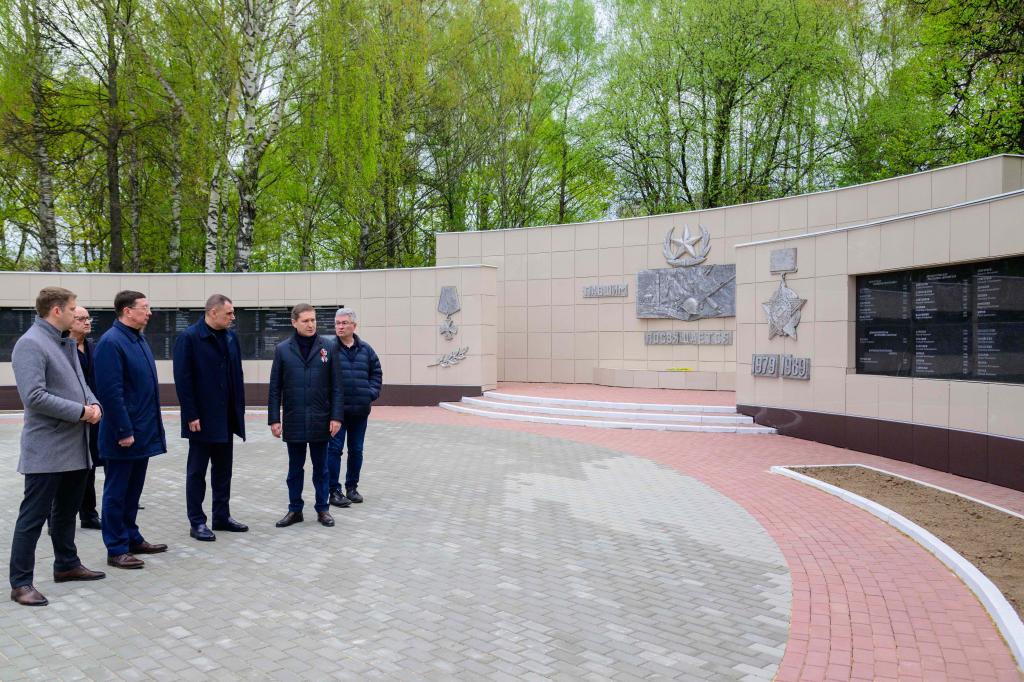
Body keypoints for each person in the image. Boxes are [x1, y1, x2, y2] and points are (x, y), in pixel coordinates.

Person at [9, 287, 105, 607]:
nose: (77, 314)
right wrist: (81, 412)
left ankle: (66, 564)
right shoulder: (31, 344)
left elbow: (81, 383)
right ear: (56, 311)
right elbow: (34, 396)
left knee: (66, 513)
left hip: (75, 447)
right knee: (33, 518)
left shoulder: (65, 341)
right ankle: (21, 583)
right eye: (73, 308)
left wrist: (93, 403)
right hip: (47, 449)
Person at [93, 291, 168, 569]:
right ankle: (116, 548)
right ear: (127, 311)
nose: (149, 313)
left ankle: (132, 537)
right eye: (144, 308)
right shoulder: (111, 343)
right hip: (123, 435)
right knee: (117, 493)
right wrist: (124, 430)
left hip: (143, 432)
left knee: (133, 491)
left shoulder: (138, 339)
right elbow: (111, 393)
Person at [173, 294, 248, 542]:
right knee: (197, 472)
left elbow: (237, 375)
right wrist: (191, 414)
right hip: (202, 419)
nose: (233, 317)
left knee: (223, 470)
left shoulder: (230, 337)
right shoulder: (190, 338)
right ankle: (197, 521)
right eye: (229, 313)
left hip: (226, 417)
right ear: (212, 312)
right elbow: (183, 380)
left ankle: (221, 516)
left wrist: (239, 410)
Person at [268, 303, 343, 528]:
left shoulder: (328, 347)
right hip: (294, 418)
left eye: (313, 320)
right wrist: (274, 419)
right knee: (295, 469)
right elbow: (275, 388)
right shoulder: (283, 349)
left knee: (321, 469)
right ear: (294, 323)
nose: (311, 324)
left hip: (321, 418)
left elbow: (337, 387)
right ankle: (295, 510)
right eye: (305, 321)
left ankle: (323, 509)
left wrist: (336, 417)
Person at [326, 308, 382, 508]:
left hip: (359, 411)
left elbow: (376, 373)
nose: (340, 327)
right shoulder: (328, 349)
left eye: (344, 323)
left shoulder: (366, 350)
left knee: (356, 450)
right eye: (337, 323)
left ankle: (352, 488)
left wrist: (369, 394)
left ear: (354, 326)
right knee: (334, 451)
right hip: (336, 414)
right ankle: (334, 491)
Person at [68, 306, 102, 529]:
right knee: (67, 471)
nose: (87, 322)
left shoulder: (93, 348)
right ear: (69, 322)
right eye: (81, 318)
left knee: (90, 467)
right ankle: (57, 518)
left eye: (88, 318)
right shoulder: (62, 348)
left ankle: (89, 515)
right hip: (71, 416)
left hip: (94, 416)